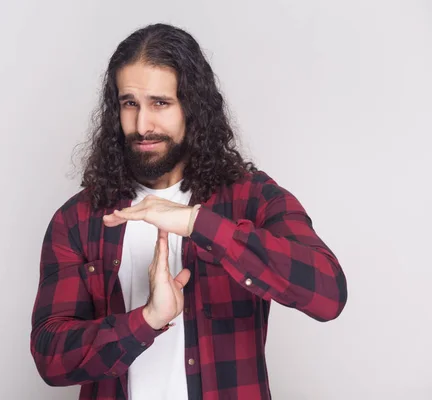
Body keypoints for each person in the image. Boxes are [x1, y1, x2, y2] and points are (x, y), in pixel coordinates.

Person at [30, 23, 347, 400]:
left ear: (192, 108)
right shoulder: (79, 218)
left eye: (160, 104)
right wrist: (147, 320)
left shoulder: (251, 196)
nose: (142, 125)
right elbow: (51, 357)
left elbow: (327, 294)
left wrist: (197, 223)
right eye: (130, 103)